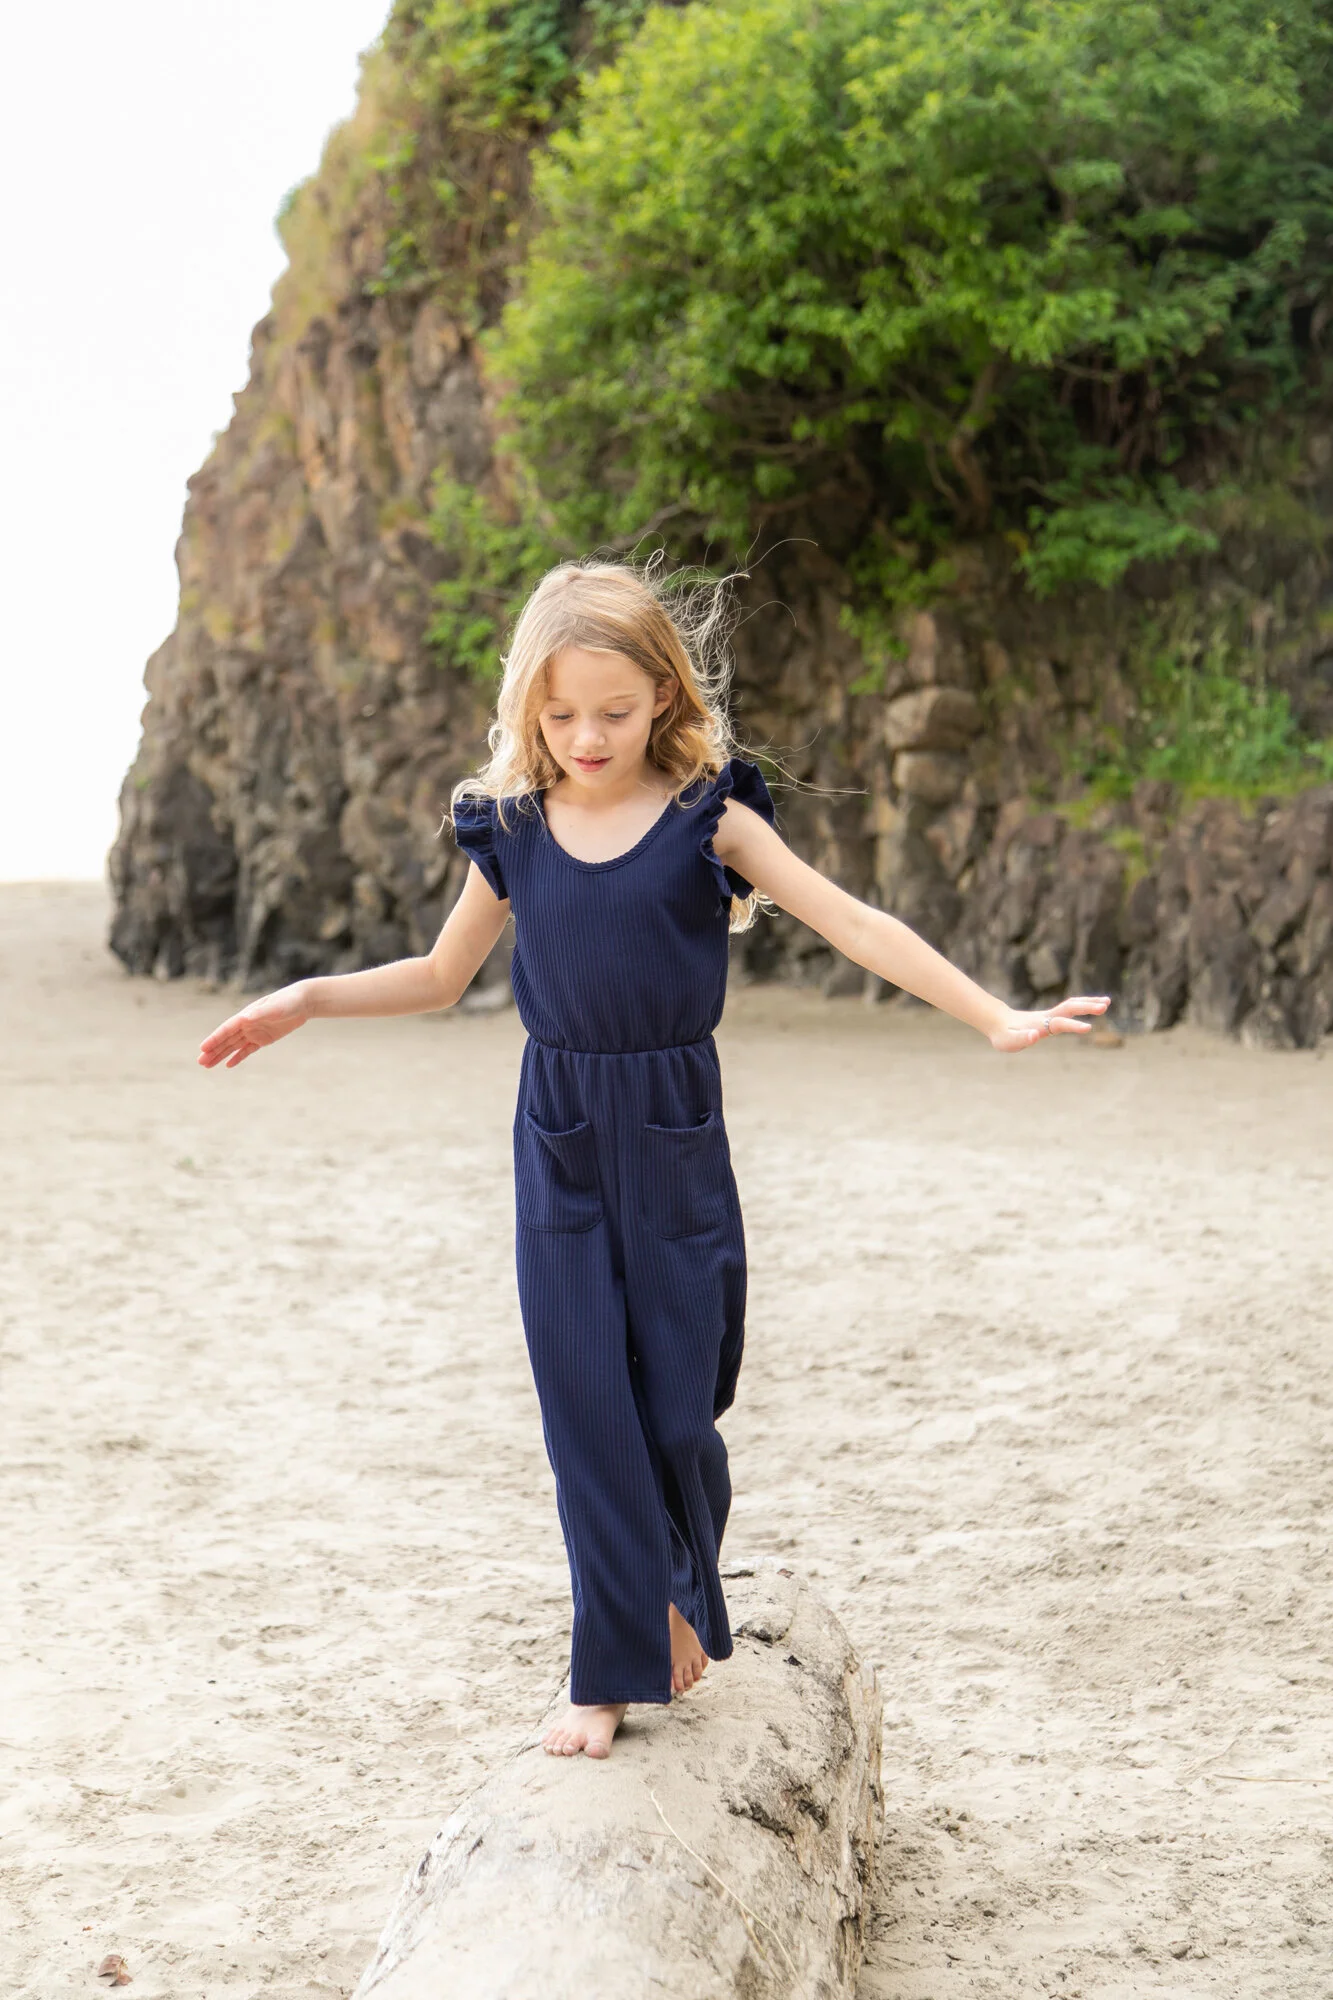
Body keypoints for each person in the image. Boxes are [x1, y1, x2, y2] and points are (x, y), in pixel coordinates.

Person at [199, 559, 1108, 1760]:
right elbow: (435, 977)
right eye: (562, 714)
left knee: (680, 1403)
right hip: (559, 1134)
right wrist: (306, 998)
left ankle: (678, 1585)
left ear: (664, 700)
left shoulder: (709, 819)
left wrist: (990, 1013)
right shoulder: (512, 832)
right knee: (585, 1400)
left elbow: (852, 921)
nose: (587, 737)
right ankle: (609, 1663)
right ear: (531, 706)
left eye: (615, 714)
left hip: (675, 1129)